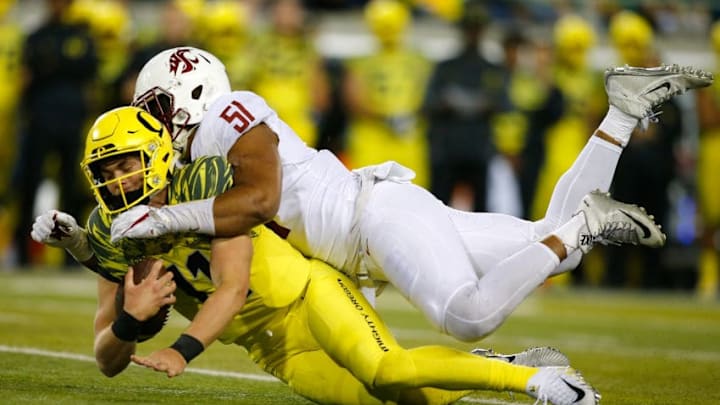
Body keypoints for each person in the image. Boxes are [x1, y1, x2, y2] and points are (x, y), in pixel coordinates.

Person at [118, 45, 710, 342]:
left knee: (467, 316)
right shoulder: (202, 151)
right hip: (372, 224)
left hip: (371, 219)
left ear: (188, 90)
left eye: (158, 109)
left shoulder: (226, 112)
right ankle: (623, 113)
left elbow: (261, 201)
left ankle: (586, 221)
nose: (155, 125)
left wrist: (159, 216)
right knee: (552, 244)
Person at [32, 106, 599, 405]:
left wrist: (183, 349)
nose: (117, 179)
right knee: (405, 399)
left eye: (126, 163)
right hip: (272, 351)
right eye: (106, 172)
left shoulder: (203, 184)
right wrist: (130, 322)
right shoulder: (107, 232)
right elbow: (106, 356)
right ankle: (510, 365)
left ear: (157, 154)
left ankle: (540, 388)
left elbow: (230, 287)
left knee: (386, 368)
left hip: (309, 294)